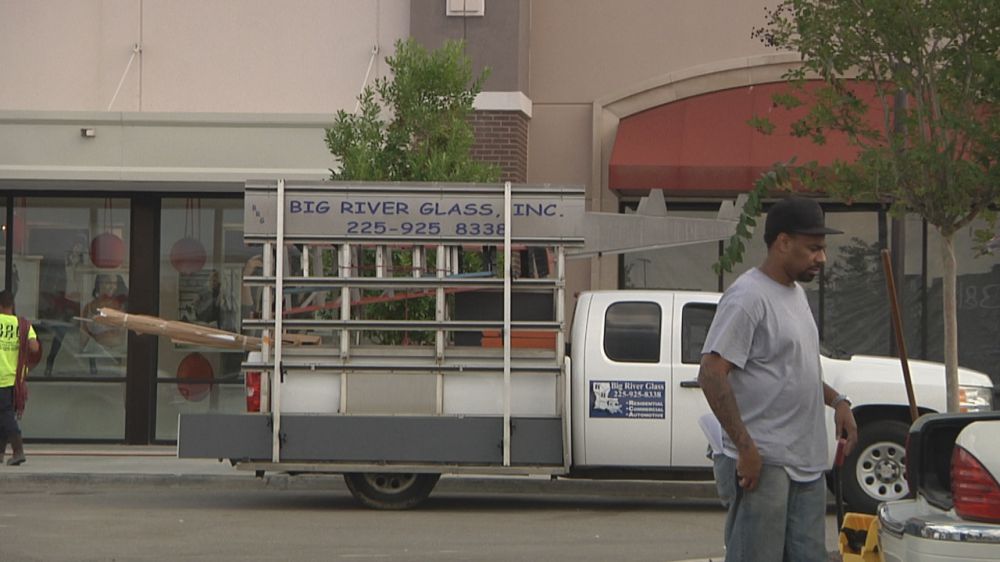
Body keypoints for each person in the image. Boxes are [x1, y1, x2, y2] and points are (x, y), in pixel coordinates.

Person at [698, 197, 858, 562]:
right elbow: (711, 373)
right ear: (783, 242)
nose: (822, 259)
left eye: (823, 249)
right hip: (766, 462)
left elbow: (792, 369)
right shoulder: (748, 297)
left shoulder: (795, 294)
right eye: (814, 248)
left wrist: (837, 401)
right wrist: (747, 449)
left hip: (806, 461)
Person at [0, 289, 39, 466]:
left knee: (6, 414)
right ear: (12, 305)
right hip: (13, 378)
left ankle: (18, 450)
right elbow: (34, 348)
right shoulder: (23, 325)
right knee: (4, 414)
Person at [79, 274, 128, 375]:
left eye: (114, 283)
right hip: (96, 353)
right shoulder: (89, 307)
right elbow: (84, 331)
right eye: (108, 282)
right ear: (99, 285)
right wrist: (81, 350)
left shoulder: (121, 306)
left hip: (120, 354)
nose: (112, 287)